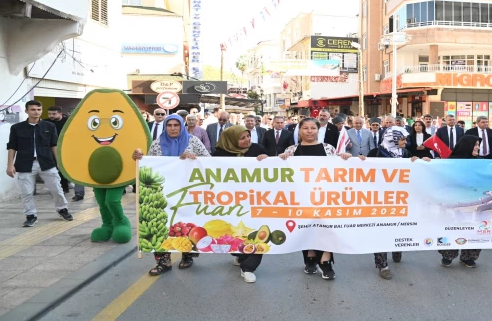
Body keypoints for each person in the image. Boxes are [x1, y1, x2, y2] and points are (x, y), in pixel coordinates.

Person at [132, 114, 210, 276]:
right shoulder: (158, 143)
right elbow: (149, 165)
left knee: (186, 224)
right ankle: (163, 261)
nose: (173, 128)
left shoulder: (193, 141)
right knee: (160, 223)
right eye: (170, 125)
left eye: (176, 125)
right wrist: (139, 158)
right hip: (162, 192)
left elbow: (208, 162)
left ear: (182, 126)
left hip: (188, 192)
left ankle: (187, 255)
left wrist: (192, 160)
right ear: (165, 126)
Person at [279, 118, 352, 280]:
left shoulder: (328, 149)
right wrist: (280, 159)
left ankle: (326, 261)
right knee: (306, 227)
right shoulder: (291, 150)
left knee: (326, 227)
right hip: (301, 196)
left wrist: (346, 158)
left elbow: (340, 167)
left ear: (318, 130)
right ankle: (310, 258)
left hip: (325, 195)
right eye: (305, 128)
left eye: (313, 128)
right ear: (299, 130)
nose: (309, 131)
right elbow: (282, 171)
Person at [358, 126, 429, 279]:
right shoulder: (375, 153)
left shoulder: (405, 154)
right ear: (393, 139)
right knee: (381, 231)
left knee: (399, 228)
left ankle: (397, 248)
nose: (406, 142)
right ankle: (382, 265)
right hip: (381, 200)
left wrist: (419, 162)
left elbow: (414, 172)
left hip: (402, 200)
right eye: (403, 139)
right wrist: (359, 161)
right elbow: (363, 170)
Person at [212, 125, 268, 283]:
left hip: (256, 199)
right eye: (242, 138)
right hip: (230, 201)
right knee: (234, 231)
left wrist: (266, 159)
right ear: (230, 140)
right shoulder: (220, 154)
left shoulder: (257, 149)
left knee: (257, 231)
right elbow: (206, 170)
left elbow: (273, 168)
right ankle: (239, 253)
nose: (247, 140)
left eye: (248, 136)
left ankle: (249, 267)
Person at [6, 100, 73, 226]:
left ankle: (62, 209)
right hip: (25, 164)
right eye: (33, 109)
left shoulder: (49, 126)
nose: (36, 112)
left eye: (38, 109)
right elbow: (12, 147)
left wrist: (59, 162)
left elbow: (54, 145)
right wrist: (10, 165)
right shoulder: (17, 128)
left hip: (47, 163)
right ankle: (31, 215)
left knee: (57, 188)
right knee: (26, 192)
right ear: (26, 111)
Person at [440, 135, 483, 267]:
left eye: (478, 145)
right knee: (453, 227)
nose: (478, 147)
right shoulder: (451, 163)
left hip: (474, 202)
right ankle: (448, 255)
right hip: (455, 202)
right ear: (467, 145)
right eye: (475, 144)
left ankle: (468, 257)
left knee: (474, 228)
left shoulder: (481, 163)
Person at [47, 106, 70, 194]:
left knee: (63, 167)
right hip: (51, 148)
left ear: (60, 114)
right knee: (55, 168)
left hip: (65, 148)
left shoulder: (68, 121)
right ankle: (60, 187)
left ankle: (65, 186)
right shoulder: (46, 122)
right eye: (49, 114)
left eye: (54, 114)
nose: (51, 116)